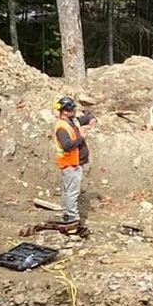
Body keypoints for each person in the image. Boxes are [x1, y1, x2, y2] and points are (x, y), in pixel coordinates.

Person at [52, 95, 92, 235]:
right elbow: (67, 145)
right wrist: (82, 138)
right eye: (73, 109)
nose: (75, 111)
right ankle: (72, 222)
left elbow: (82, 119)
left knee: (69, 192)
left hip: (74, 163)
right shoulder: (61, 128)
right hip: (70, 164)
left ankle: (69, 218)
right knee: (71, 193)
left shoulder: (70, 121)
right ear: (66, 111)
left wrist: (91, 119)